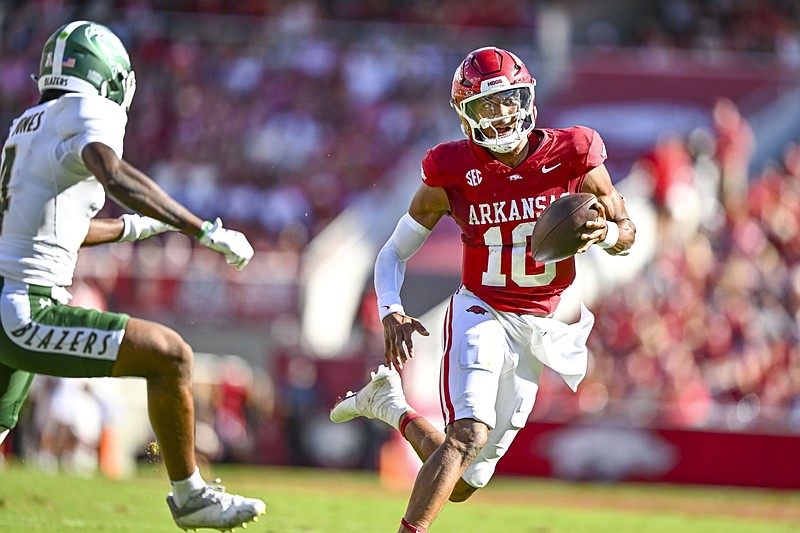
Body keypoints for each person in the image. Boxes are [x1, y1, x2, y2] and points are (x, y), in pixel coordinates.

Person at [331, 46, 635, 532]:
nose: (502, 114)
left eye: (509, 99)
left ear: (528, 98)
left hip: (540, 324)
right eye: (487, 106)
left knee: (467, 481)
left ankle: (391, 407)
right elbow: (393, 252)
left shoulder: (574, 150)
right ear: (465, 115)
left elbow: (627, 230)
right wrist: (391, 307)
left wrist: (608, 235)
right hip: (482, 309)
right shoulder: (451, 168)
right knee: (467, 433)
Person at [0, 21, 266, 530]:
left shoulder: (28, 125)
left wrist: (129, 229)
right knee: (170, 356)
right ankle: (190, 496)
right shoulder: (86, 110)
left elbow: (51, 230)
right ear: (110, 75)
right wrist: (199, 229)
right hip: (25, 309)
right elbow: (114, 173)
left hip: (8, 297)